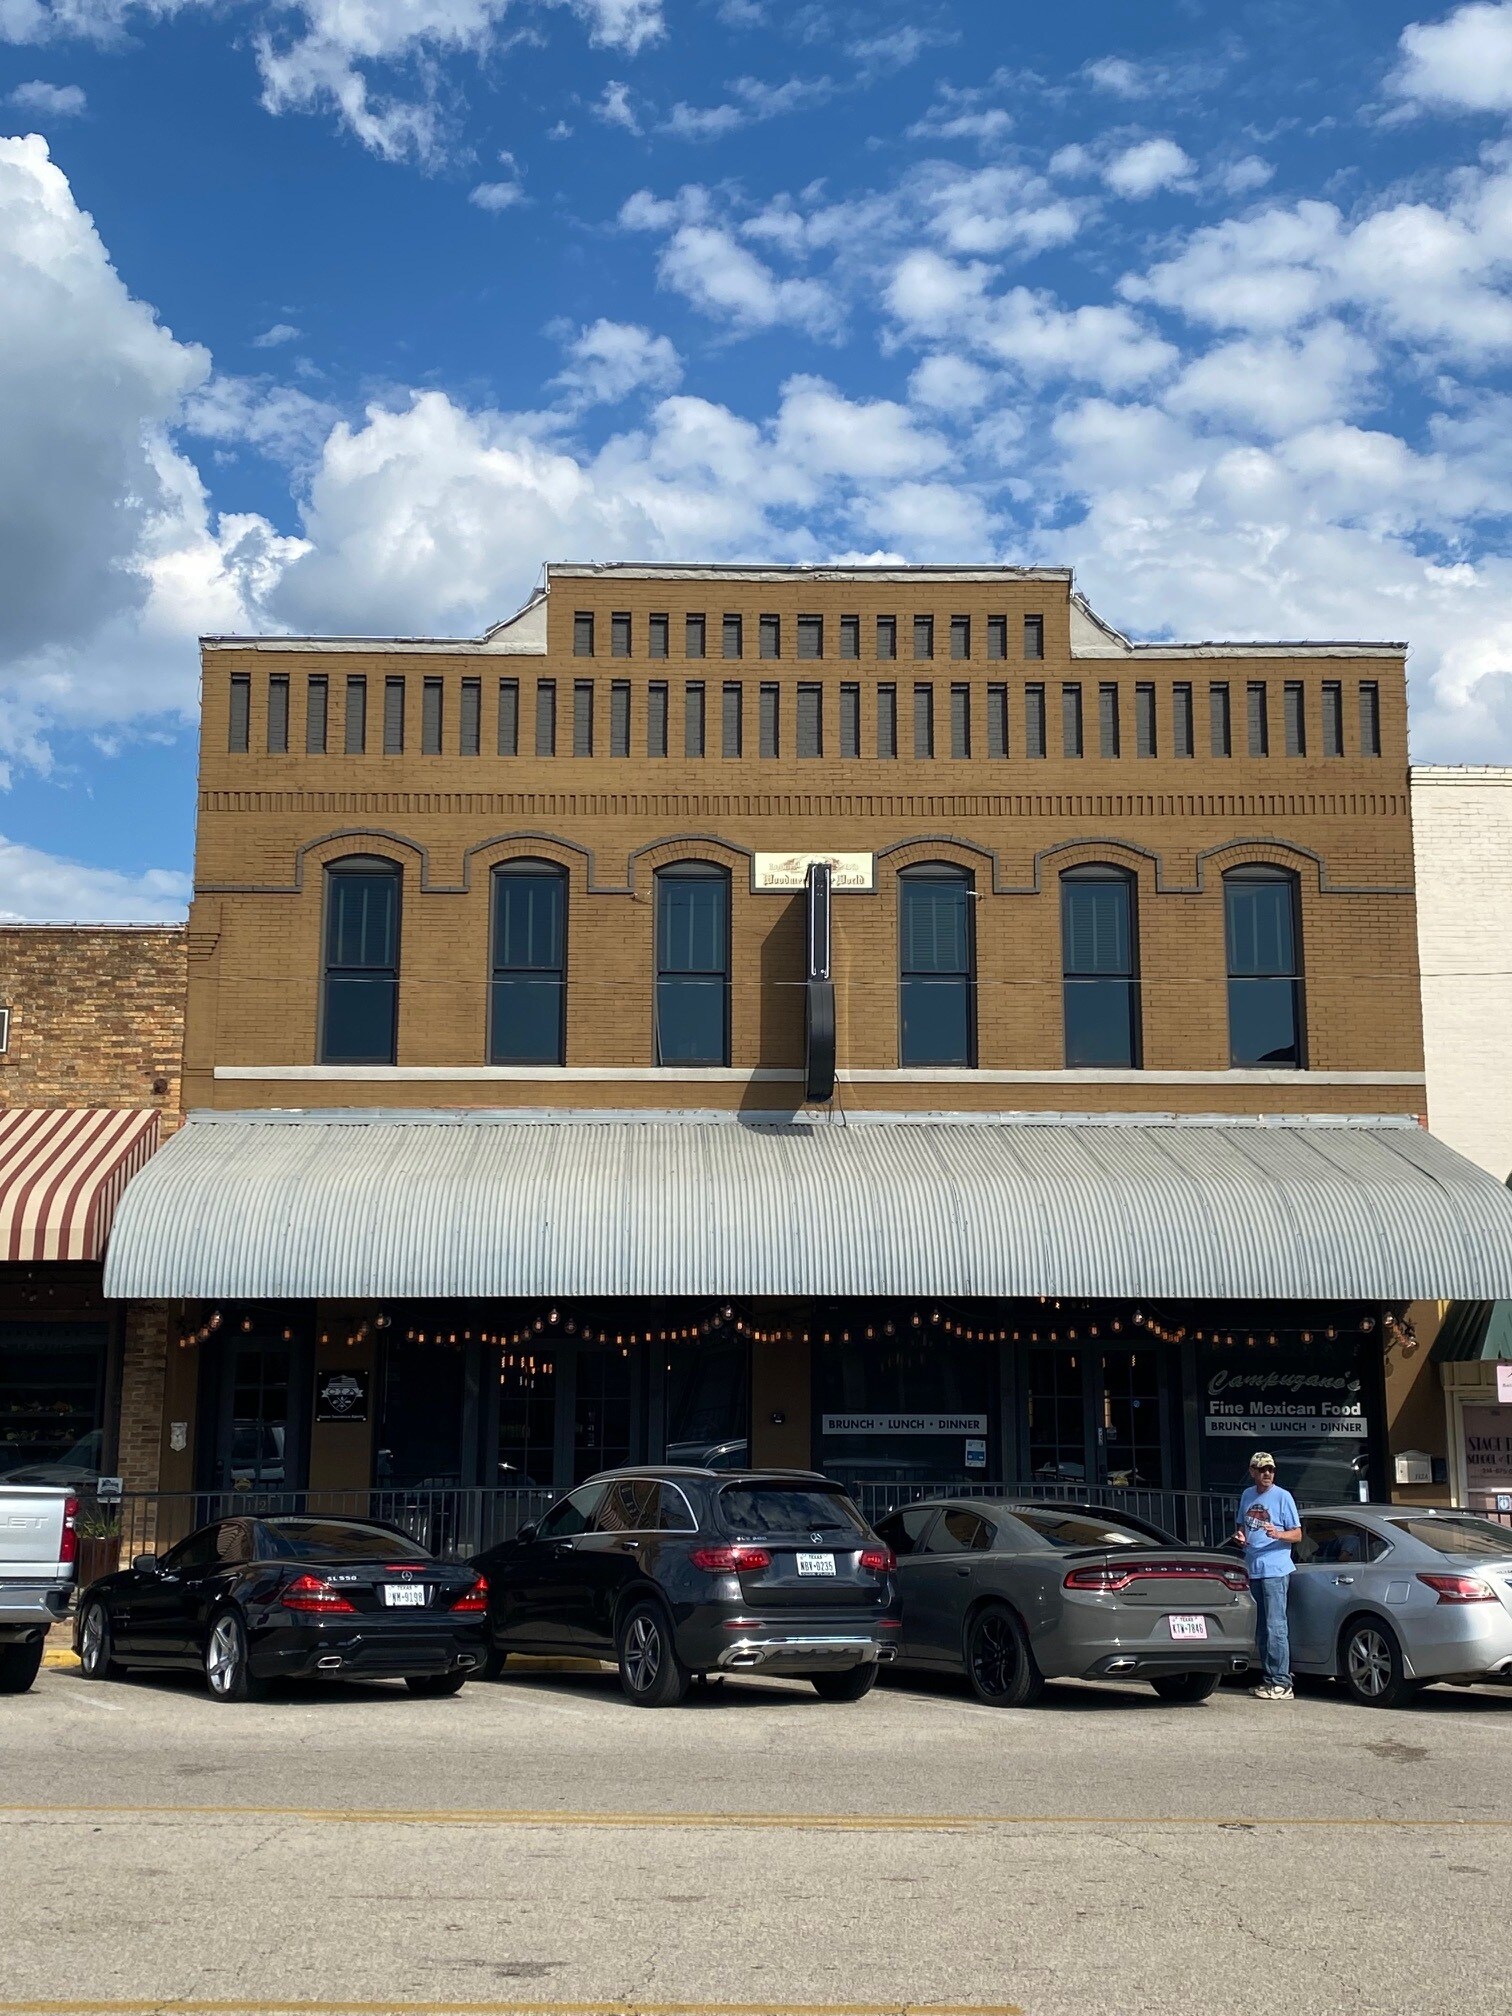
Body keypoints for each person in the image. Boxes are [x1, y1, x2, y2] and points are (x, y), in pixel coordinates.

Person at [1233, 1450, 1302, 1701]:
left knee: (1276, 1627)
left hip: (1276, 1569)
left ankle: (1282, 1682)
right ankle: (1269, 1680)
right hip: (1254, 1569)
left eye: (1271, 1470)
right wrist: (1240, 1536)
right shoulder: (1247, 1495)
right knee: (1261, 1629)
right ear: (1252, 1472)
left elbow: (1297, 1534)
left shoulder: (1283, 1497)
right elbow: (1243, 1524)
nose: (1267, 1474)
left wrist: (1279, 1534)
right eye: (1262, 1470)